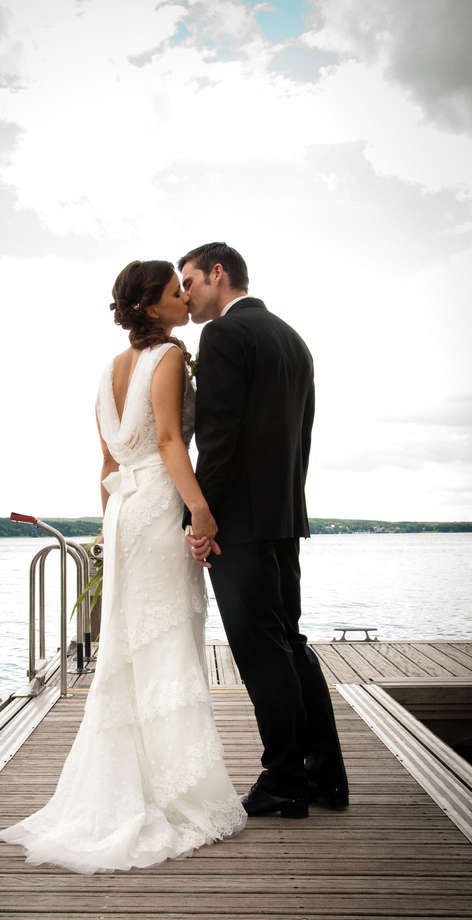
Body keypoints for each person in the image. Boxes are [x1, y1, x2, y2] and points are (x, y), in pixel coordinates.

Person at [0, 260, 246, 873]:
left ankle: (130, 781)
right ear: (152, 307)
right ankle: (173, 793)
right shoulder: (164, 360)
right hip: (160, 507)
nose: (184, 299)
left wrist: (110, 532)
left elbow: (106, 460)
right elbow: (167, 442)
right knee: (164, 640)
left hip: (123, 512)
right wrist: (201, 511)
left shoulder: (107, 371)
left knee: (130, 644)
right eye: (173, 292)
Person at [178, 242, 348, 819]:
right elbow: (300, 436)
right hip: (283, 519)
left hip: (240, 525)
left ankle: (283, 780)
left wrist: (201, 517)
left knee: (260, 652)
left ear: (218, 274)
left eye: (191, 280)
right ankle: (326, 774)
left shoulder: (224, 336)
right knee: (291, 644)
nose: (186, 294)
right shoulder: (292, 339)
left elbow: (218, 438)